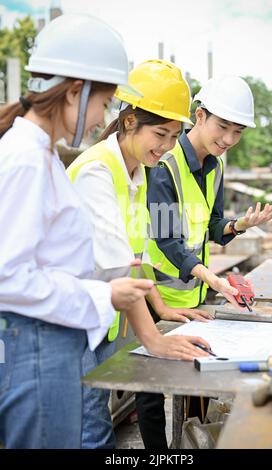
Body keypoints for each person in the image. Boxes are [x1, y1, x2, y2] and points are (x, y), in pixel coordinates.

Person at [0, 14, 156, 449]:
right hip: (36, 347)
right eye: (104, 102)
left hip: (50, 343)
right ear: (74, 91)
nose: (102, 117)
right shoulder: (26, 159)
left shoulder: (42, 155)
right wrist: (103, 295)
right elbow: (7, 277)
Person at [67, 60, 212, 449]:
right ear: (129, 120)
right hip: (72, 324)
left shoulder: (138, 173)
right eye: (160, 133)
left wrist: (161, 310)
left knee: (96, 425)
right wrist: (154, 339)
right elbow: (117, 269)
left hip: (103, 321)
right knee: (93, 432)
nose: (166, 147)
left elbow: (136, 253)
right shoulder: (97, 172)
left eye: (174, 136)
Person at [138, 75, 272, 448]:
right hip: (156, 299)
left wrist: (240, 225)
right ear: (200, 116)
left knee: (197, 384)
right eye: (223, 127)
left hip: (194, 297)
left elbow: (213, 228)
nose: (229, 139)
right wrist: (213, 279)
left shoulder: (215, 167)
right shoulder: (164, 168)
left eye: (238, 131)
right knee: (150, 392)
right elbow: (167, 239)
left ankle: (191, 442)